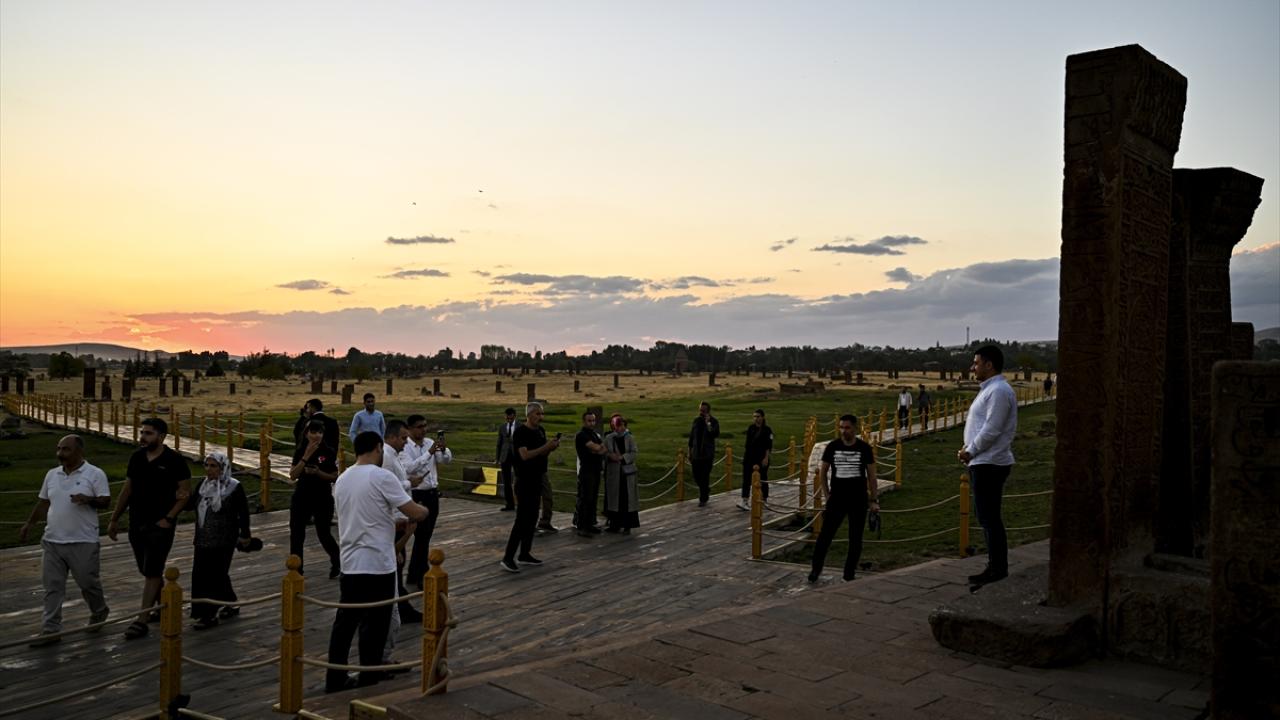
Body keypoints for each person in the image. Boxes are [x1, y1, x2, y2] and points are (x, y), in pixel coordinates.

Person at [325, 431, 429, 693]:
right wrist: (424, 510)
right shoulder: (382, 476)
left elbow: (363, 515)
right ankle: (369, 675)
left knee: (345, 624)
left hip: (350, 562)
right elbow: (414, 511)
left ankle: (335, 678)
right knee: (376, 624)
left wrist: (393, 523)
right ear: (378, 448)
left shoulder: (342, 479)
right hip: (378, 563)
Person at [20, 434, 111, 646]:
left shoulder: (95, 473)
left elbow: (105, 501)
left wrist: (88, 499)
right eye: (59, 449)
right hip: (53, 541)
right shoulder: (52, 474)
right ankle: (50, 630)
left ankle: (99, 610)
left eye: (66, 449)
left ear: (79, 451)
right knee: (52, 587)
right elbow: (44, 502)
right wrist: (29, 524)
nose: (60, 453)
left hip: (83, 540)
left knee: (88, 584)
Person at [107, 417, 192, 640]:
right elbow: (127, 489)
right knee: (146, 569)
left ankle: (141, 620)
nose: (143, 437)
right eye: (142, 432)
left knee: (153, 571)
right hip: (137, 522)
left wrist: (169, 518)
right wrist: (114, 519)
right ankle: (165, 607)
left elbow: (185, 493)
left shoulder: (174, 460)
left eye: (148, 433)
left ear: (161, 436)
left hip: (160, 525)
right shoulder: (137, 457)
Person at [959, 345, 1018, 586]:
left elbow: (992, 429)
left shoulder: (999, 391)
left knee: (990, 518)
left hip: (990, 462)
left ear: (989, 364)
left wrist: (970, 450)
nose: (972, 367)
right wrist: (968, 449)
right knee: (986, 517)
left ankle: (998, 568)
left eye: (976, 363)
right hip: (982, 461)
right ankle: (995, 566)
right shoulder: (991, 390)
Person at [808, 415, 878, 583]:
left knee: (855, 539)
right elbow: (823, 472)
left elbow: (872, 476)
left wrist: (874, 500)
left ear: (854, 428)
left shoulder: (864, 448)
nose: (843, 431)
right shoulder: (833, 446)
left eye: (847, 428)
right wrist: (827, 495)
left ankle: (849, 573)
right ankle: (815, 570)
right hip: (837, 499)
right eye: (841, 427)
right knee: (825, 536)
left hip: (858, 499)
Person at [188, 452, 251, 630]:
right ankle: (230, 603)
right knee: (201, 575)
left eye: (213, 466)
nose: (209, 469)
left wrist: (245, 534)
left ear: (223, 468)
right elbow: (191, 504)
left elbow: (243, 512)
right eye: (207, 465)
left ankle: (209, 615)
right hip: (202, 538)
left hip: (224, 539)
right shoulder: (203, 485)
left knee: (215, 575)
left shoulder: (233, 487)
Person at [500, 402, 560, 572]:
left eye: (542, 414)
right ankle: (508, 557)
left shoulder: (540, 431)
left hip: (537, 477)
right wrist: (546, 447)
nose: (541, 417)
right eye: (537, 414)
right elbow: (525, 455)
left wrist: (551, 448)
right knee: (522, 519)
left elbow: (541, 452)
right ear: (529, 414)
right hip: (524, 479)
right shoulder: (521, 432)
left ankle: (525, 553)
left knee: (533, 517)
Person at [401, 414, 452, 588]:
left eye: (425, 426)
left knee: (426, 536)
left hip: (432, 494)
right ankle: (421, 574)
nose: (423, 430)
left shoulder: (430, 442)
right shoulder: (405, 447)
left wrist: (443, 450)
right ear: (410, 429)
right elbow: (410, 468)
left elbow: (445, 460)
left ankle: (414, 573)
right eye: (419, 427)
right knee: (421, 535)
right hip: (417, 494)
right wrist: (428, 454)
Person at [288, 419, 342, 579]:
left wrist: (318, 473)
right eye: (313, 432)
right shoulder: (300, 450)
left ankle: (337, 562)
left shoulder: (328, 451)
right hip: (302, 496)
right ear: (306, 434)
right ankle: (297, 570)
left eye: (320, 432)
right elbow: (293, 475)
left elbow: (334, 476)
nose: (317, 435)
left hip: (322, 497)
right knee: (297, 534)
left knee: (323, 533)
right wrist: (305, 457)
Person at [380, 419, 422, 623]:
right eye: (403, 438)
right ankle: (400, 608)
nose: (406, 442)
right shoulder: (386, 458)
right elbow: (389, 486)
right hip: (395, 519)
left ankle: (399, 607)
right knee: (395, 564)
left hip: (400, 517)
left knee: (398, 565)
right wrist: (409, 483)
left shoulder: (394, 456)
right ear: (392, 437)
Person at [603, 415, 640, 534]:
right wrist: (610, 456)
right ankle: (614, 524)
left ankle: (627, 525)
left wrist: (622, 458)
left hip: (627, 475)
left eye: (622, 425)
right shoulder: (608, 438)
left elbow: (634, 452)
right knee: (614, 500)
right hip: (614, 473)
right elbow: (604, 451)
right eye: (618, 425)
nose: (620, 428)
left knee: (626, 500)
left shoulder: (630, 438)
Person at [573, 411, 606, 536]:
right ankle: (582, 526)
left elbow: (602, 450)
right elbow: (597, 448)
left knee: (593, 498)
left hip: (596, 469)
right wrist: (597, 449)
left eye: (593, 420)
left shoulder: (595, 435)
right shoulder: (581, 435)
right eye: (589, 420)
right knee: (585, 498)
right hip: (587, 470)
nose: (592, 423)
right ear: (584, 421)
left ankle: (590, 523)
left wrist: (597, 449)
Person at [739, 409, 774, 510]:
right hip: (749, 457)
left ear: (762, 417)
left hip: (761, 458)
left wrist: (766, 458)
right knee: (746, 479)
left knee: (763, 479)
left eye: (758, 416)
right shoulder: (751, 428)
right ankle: (744, 500)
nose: (756, 418)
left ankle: (764, 499)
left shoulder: (767, 430)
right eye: (754, 416)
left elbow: (768, 446)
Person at [686, 401, 720, 507]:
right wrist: (689, 451)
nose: (701, 412)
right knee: (696, 475)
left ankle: (703, 499)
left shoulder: (714, 421)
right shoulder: (696, 421)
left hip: (707, 454)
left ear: (708, 411)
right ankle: (705, 489)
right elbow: (692, 437)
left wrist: (708, 423)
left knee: (704, 476)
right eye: (700, 410)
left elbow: (714, 434)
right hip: (696, 454)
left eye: (703, 410)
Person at [495, 407, 518, 511]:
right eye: (507, 418)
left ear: (514, 416)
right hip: (505, 456)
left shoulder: (520, 426)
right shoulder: (502, 427)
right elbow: (499, 443)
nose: (509, 420)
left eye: (511, 418)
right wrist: (497, 458)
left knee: (519, 480)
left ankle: (520, 503)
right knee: (506, 481)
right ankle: (509, 504)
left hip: (517, 456)